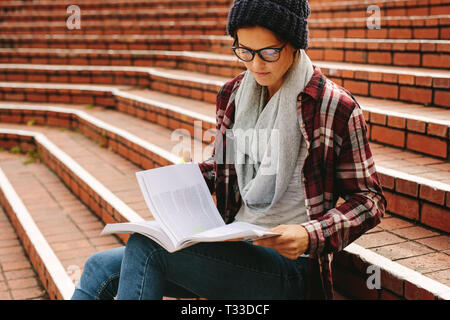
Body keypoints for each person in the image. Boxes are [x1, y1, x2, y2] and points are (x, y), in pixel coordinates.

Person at [71, 0, 386, 300]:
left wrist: (310, 234)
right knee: (100, 267)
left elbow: (370, 200)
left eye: (268, 53)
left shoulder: (333, 107)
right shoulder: (234, 94)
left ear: (294, 43)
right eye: (245, 51)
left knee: (146, 248)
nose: (256, 64)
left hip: (292, 268)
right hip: (234, 244)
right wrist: (184, 181)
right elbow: (224, 165)